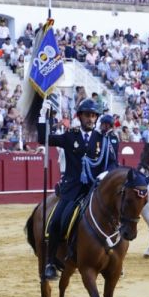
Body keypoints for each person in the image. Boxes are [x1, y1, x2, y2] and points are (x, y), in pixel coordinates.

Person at [42, 98, 111, 280]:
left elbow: (112, 163)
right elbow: (45, 138)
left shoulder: (102, 140)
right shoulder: (70, 136)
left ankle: (113, 257)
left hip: (95, 189)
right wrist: (45, 118)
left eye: (94, 115)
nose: (91, 119)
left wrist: (104, 175)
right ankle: (50, 262)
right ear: (79, 117)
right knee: (56, 220)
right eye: (87, 115)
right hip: (72, 190)